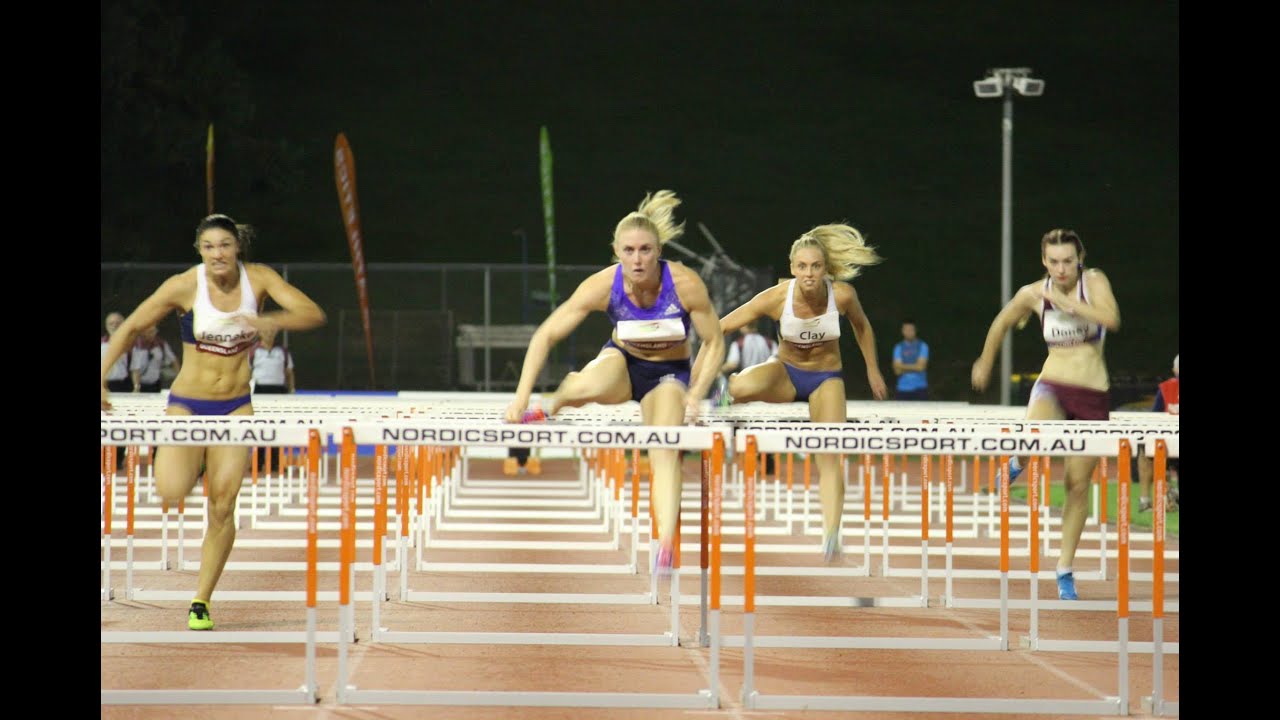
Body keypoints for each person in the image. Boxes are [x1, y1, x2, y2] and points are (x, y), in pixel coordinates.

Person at [100, 213, 326, 630]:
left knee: (223, 506)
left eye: (224, 245)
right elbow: (131, 324)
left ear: (237, 246)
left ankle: (201, 600)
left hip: (237, 405)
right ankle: (191, 462)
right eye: (209, 247)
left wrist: (273, 320)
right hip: (187, 403)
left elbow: (312, 312)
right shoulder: (185, 284)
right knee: (170, 489)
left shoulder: (258, 279)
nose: (217, 254)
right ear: (199, 251)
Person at [503, 190, 725, 575]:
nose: (637, 259)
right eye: (629, 251)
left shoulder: (685, 285)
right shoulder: (605, 285)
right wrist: (519, 398)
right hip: (622, 363)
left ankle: (667, 544)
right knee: (589, 386)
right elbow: (545, 334)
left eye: (645, 250)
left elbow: (716, 340)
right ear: (616, 251)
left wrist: (696, 395)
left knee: (664, 448)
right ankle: (554, 403)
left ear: (659, 251)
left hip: (667, 376)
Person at [694, 223, 889, 562]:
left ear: (825, 268)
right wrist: (696, 381)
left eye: (815, 266)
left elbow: (862, 326)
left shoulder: (841, 295)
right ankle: (722, 399)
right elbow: (719, 327)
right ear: (792, 268)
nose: (809, 274)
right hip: (785, 374)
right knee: (739, 385)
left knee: (830, 456)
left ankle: (831, 532)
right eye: (802, 267)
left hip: (826, 378)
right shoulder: (775, 298)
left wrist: (872, 368)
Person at [971, 228, 1120, 600]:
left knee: (1077, 484)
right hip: (1052, 383)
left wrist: (1073, 306)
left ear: (1079, 259)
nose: (1061, 269)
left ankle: (1064, 569)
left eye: (1068, 261)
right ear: (1044, 261)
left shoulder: (1095, 281)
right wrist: (985, 361)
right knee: (1032, 436)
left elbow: (1111, 318)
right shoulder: (1032, 294)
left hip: (1092, 394)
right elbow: (1001, 323)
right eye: (1054, 262)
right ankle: (1018, 461)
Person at [249, 325, 296, 469]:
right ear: (260, 332)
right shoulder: (253, 352)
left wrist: (292, 389)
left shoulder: (283, 352)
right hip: (260, 390)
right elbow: (247, 373)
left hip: (279, 392)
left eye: (271, 330)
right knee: (260, 427)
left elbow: (289, 372)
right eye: (266, 330)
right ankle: (258, 462)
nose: (269, 333)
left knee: (276, 427)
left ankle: (276, 463)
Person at [1138, 353, 1178, 512]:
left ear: (1174, 370)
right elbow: (1154, 417)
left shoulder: (1167, 386)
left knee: (1147, 451)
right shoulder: (1166, 388)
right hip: (1168, 444)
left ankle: (1152, 498)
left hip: (1169, 444)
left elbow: (1153, 417)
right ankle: (1153, 498)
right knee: (1146, 450)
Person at [133, 325, 180, 393]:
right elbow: (135, 369)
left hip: (156, 383)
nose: (152, 334)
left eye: (154, 331)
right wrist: (136, 386)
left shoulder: (160, 344)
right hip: (141, 384)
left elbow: (173, 360)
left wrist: (178, 378)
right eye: (149, 332)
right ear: (143, 332)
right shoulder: (137, 346)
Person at [891, 320, 929, 401]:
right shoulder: (898, 347)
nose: (908, 332)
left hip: (920, 388)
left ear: (915, 331)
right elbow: (897, 371)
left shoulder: (923, 346)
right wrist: (915, 366)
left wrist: (902, 366)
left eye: (911, 330)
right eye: (906, 330)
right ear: (902, 331)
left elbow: (921, 367)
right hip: (902, 389)